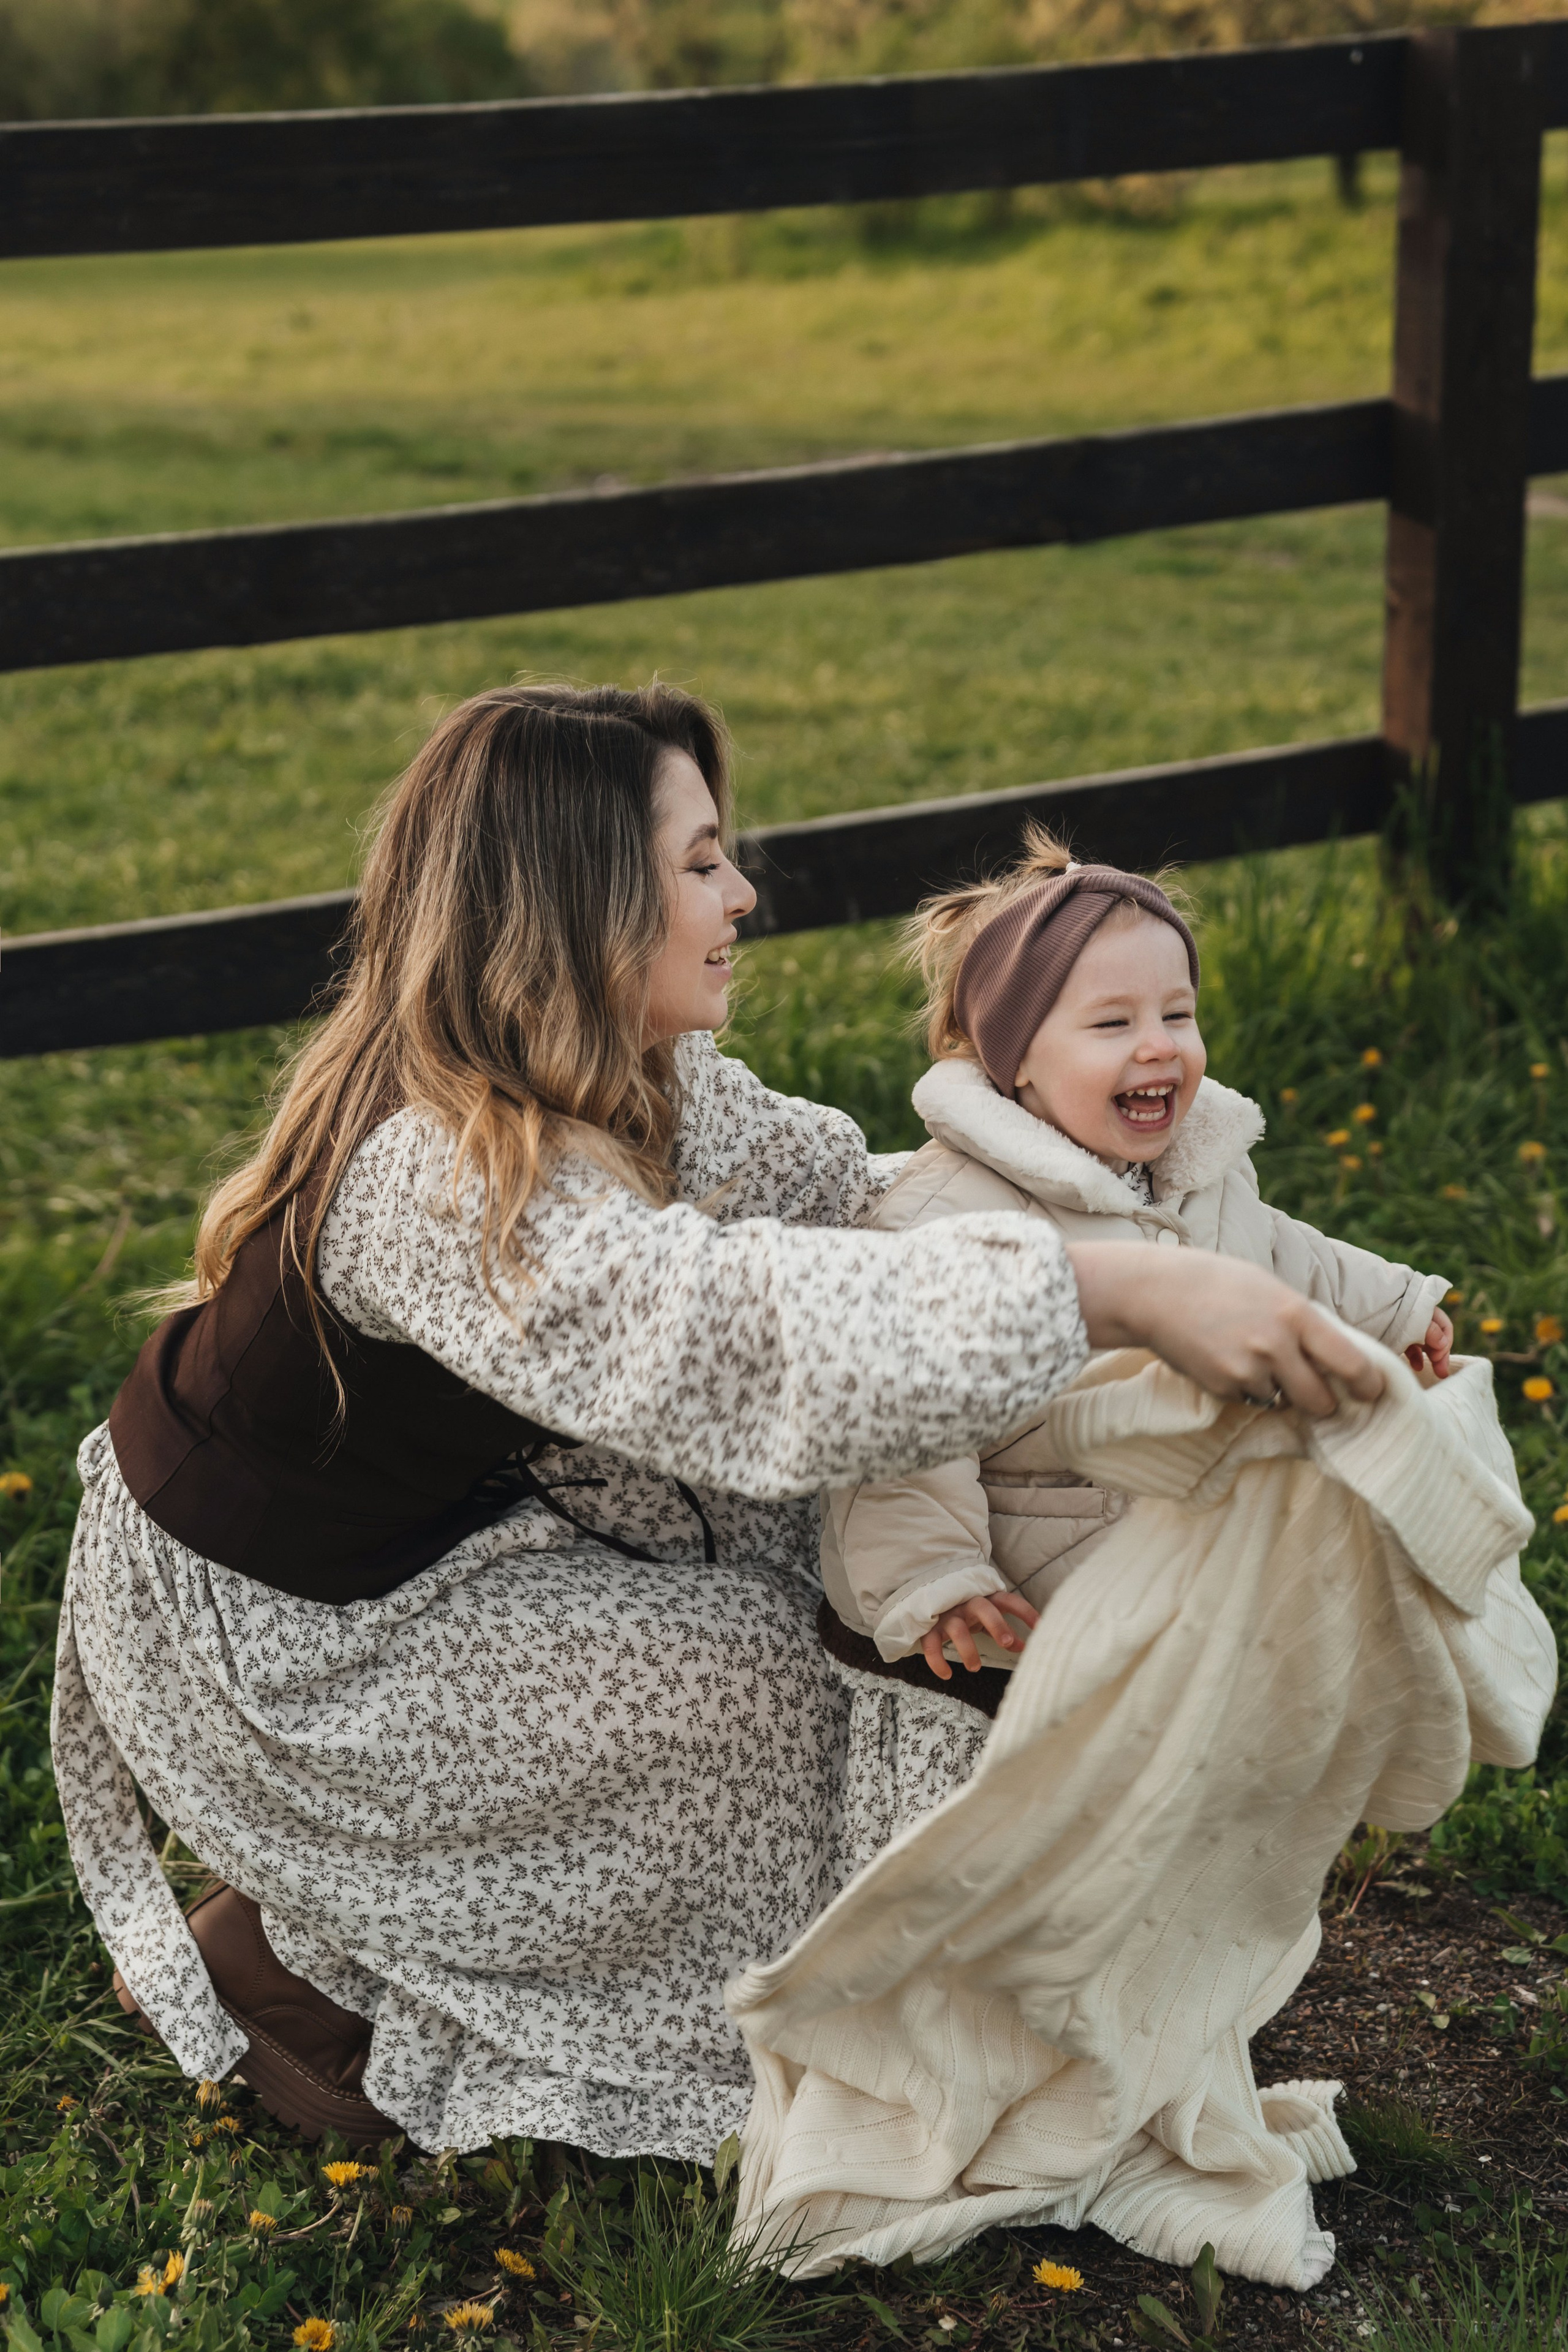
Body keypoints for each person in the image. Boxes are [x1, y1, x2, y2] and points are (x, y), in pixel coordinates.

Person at [51, 685, 1383, 2163]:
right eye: (697, 863)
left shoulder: (646, 1076)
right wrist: (1111, 1287)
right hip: (290, 1633)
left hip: (451, 1521)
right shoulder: (432, 1180)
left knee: (815, 1570)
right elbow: (736, 1329)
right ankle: (306, 1977)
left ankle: (429, 1918)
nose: (742, 893)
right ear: (574, 900)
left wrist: (1049, 1181)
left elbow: (843, 1200)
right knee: (774, 1696)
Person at [821, 826, 1450, 1713]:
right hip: (1013, 1621)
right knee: (1029, 1836)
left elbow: (1277, 1253)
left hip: (1169, 1572)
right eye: (1114, 1023)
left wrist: (1392, 1309)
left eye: (1178, 1015)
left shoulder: (1195, 1169)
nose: (1158, 1045)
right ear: (1015, 1062)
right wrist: (935, 1576)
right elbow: (895, 1422)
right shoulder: (947, 1216)